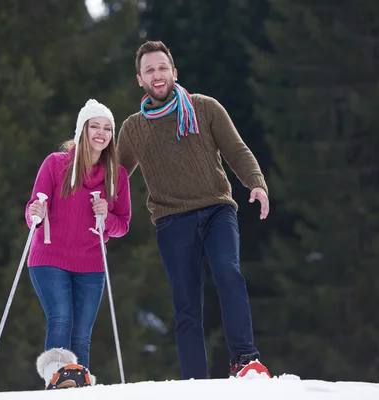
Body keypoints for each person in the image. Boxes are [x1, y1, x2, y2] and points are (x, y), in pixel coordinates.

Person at [116, 40, 271, 380]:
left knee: (229, 274)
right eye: (149, 70)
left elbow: (236, 150)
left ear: (174, 72)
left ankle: (245, 360)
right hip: (172, 220)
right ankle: (193, 382)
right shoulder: (132, 129)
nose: (157, 75)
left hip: (217, 209)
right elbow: (114, 178)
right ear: (140, 80)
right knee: (186, 305)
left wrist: (255, 183)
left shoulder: (205, 108)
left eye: (162, 68)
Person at [25, 99, 131, 389]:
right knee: (61, 318)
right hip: (49, 256)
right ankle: (58, 380)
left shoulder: (116, 175)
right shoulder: (55, 164)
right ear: (82, 130)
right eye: (95, 126)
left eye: (108, 128)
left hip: (91, 261)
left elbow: (122, 224)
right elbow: (34, 205)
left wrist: (106, 217)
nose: (101, 133)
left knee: (82, 334)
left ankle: (79, 388)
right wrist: (34, 212)